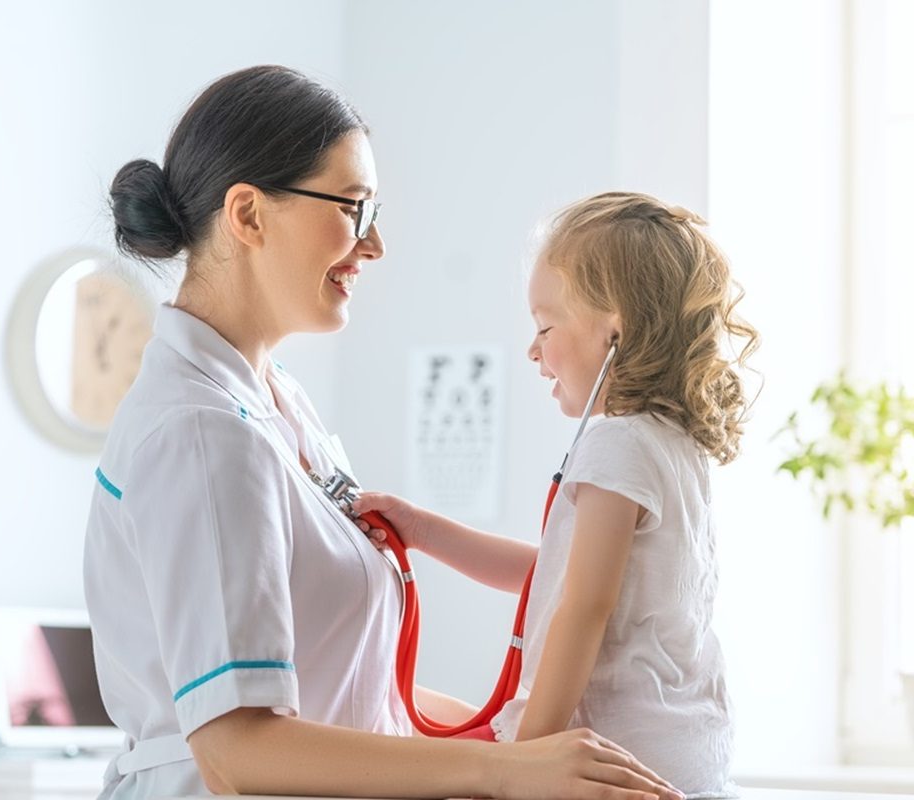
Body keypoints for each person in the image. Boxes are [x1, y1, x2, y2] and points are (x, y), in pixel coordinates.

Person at [83, 66, 683, 800]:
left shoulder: (277, 406)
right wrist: (503, 770)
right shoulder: (199, 433)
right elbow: (238, 752)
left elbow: (351, 694)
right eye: (354, 209)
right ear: (247, 215)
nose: (375, 246)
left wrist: (534, 746)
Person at [354, 192, 759, 796]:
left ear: (616, 334)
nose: (533, 350)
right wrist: (424, 529)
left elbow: (584, 607)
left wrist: (524, 758)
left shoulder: (615, 443)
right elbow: (557, 579)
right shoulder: (674, 446)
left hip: (610, 759)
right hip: (683, 756)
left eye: (545, 326)